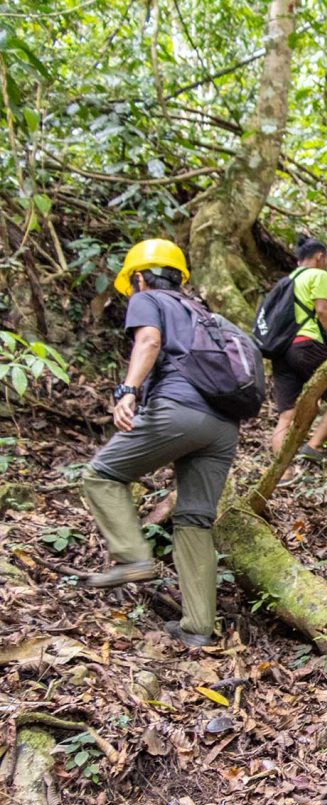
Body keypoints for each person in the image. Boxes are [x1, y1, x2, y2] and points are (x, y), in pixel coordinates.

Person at [80, 238, 239, 648]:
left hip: (178, 412)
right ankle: (198, 628)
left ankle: (133, 558)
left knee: (101, 475)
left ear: (138, 277)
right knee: (194, 520)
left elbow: (148, 341)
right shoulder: (203, 314)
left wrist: (127, 390)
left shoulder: (149, 299)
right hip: (223, 426)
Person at [268, 236, 327, 465]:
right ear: (320, 257)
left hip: (281, 350)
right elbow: (323, 310)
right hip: (306, 345)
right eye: (325, 260)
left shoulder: (286, 281)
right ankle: (314, 446)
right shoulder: (318, 275)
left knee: (287, 414)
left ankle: (283, 474)